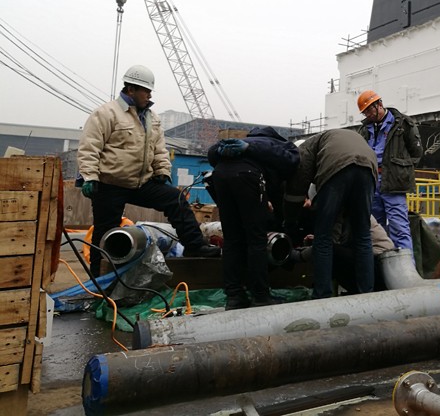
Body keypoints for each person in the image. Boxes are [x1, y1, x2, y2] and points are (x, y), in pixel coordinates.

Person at [77, 65, 220, 278]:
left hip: (141, 183)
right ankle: (99, 280)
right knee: (104, 233)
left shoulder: (152, 117)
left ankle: (194, 245)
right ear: (131, 89)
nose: (150, 96)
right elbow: (89, 147)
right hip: (110, 184)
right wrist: (90, 176)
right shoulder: (106, 114)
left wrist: (162, 171)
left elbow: (159, 149)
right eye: (146, 91)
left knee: (175, 200)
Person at [206, 127, 299, 310]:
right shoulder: (276, 144)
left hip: (220, 175)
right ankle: (260, 296)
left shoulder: (234, 145)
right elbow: (292, 162)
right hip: (248, 176)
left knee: (232, 239)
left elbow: (211, 155)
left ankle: (234, 296)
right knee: (256, 239)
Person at [285, 129, 377, 299]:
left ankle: (322, 295)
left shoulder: (304, 150)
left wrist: (290, 220)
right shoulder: (329, 139)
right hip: (368, 167)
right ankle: (366, 294)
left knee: (323, 237)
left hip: (339, 166)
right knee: (363, 235)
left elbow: (297, 188)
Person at [356, 90, 422, 251]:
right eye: (365, 112)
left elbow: (416, 153)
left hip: (394, 183)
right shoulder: (364, 130)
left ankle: (406, 266)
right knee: (374, 229)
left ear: (379, 104)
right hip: (372, 184)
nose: (368, 115)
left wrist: (400, 171)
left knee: (399, 228)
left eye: (369, 111)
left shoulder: (403, 124)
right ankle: (378, 264)